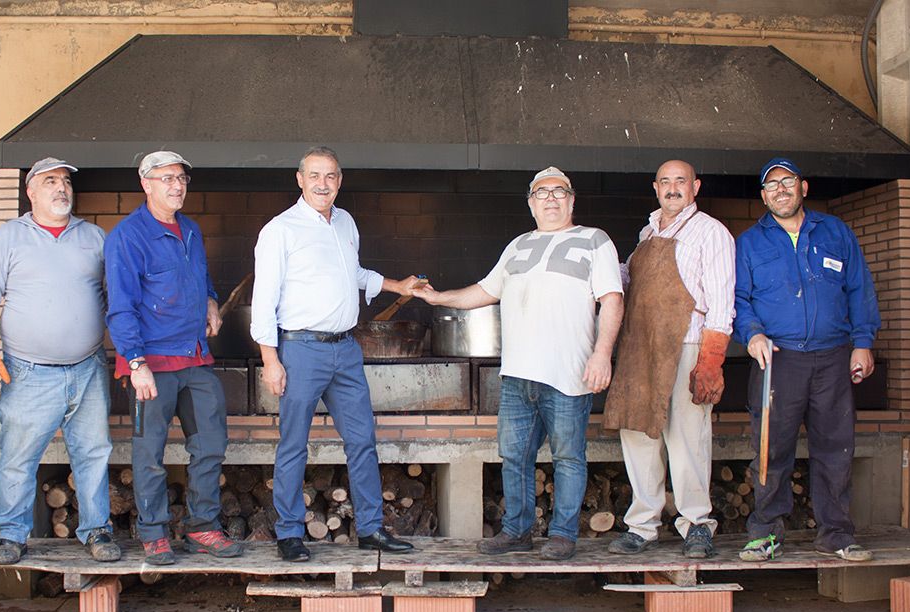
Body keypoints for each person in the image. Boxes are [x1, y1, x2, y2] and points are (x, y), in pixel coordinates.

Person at [413, 167, 623, 560]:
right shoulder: (518, 246)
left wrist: (602, 354)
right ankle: (517, 531)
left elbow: (612, 299)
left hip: (569, 373)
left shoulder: (595, 241)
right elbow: (485, 291)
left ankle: (562, 535)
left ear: (572, 200)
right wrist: (441, 298)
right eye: (541, 192)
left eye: (559, 192)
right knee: (514, 456)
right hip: (517, 375)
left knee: (568, 457)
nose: (550, 198)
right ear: (530, 203)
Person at [251, 146, 423, 562]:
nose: (322, 183)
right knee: (293, 444)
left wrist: (398, 285)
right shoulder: (280, 230)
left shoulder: (345, 221)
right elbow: (263, 301)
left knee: (362, 441)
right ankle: (290, 533)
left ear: (339, 180)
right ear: (300, 179)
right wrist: (270, 360)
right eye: (314, 176)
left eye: (330, 176)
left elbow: (355, 272)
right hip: (301, 350)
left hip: (346, 349)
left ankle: (370, 529)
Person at [0, 157, 120, 565]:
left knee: (93, 452)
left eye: (66, 181)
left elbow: (113, 297)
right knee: (18, 457)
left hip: (88, 368)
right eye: (50, 181)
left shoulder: (93, 237)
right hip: (27, 371)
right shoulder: (8, 239)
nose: (61, 189)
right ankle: (11, 536)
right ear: (31, 191)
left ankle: (97, 530)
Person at [733, 157, 880, 563]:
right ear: (763, 196)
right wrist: (753, 333)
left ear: (803, 188)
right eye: (772, 185)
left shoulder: (835, 233)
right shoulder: (749, 243)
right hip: (777, 360)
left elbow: (859, 289)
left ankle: (836, 533)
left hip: (833, 358)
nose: (780, 190)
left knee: (835, 447)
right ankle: (765, 533)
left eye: (787, 182)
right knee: (770, 448)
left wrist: (863, 342)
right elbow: (739, 301)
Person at [104, 150, 242, 565]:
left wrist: (212, 303)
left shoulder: (191, 231)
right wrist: (135, 362)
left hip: (195, 361)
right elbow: (120, 306)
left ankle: (202, 527)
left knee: (211, 443)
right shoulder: (127, 236)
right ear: (145, 184)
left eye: (181, 178)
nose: (176, 185)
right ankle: (153, 533)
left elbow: (202, 280)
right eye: (166, 178)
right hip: (153, 365)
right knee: (150, 451)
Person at [603, 159, 735, 559]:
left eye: (681, 181)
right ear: (655, 187)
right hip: (640, 347)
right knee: (639, 434)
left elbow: (722, 302)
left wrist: (710, 360)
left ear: (696, 186)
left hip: (687, 346)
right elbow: (627, 285)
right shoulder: (647, 233)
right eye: (665, 182)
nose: (673, 188)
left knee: (687, 439)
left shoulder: (711, 233)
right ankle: (642, 526)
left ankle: (696, 524)